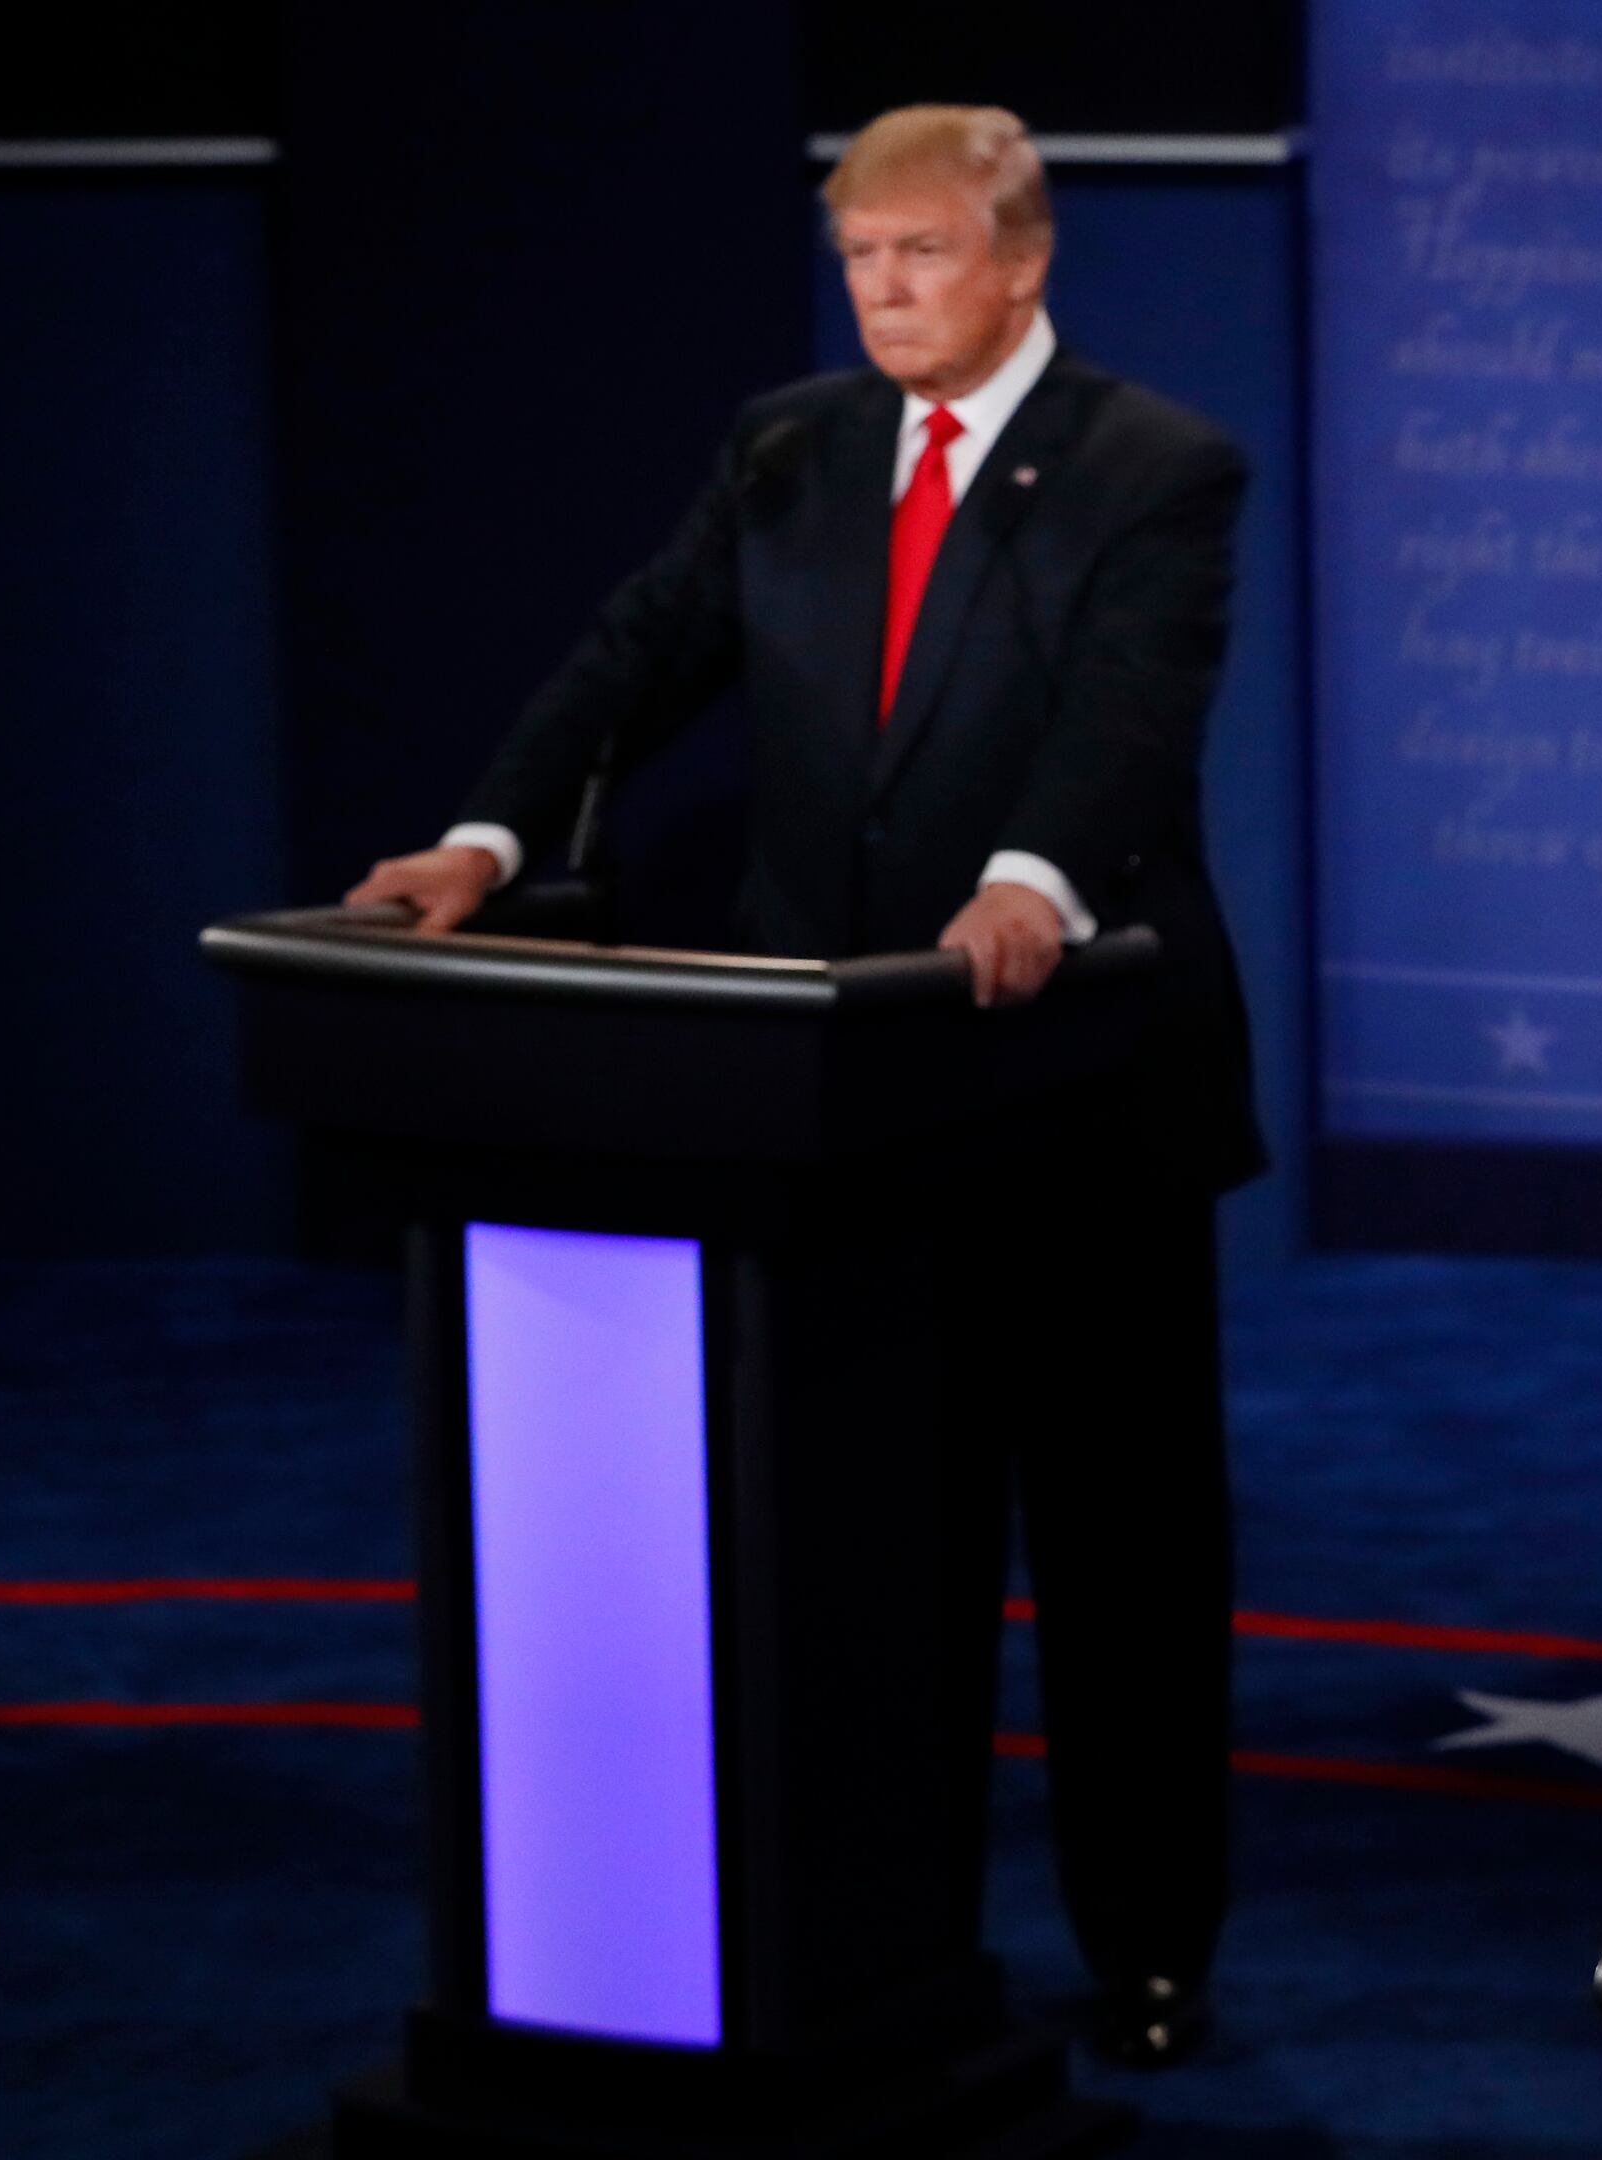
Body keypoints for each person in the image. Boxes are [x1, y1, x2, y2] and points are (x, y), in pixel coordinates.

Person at [343, 104, 1256, 2067]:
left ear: (1022, 263)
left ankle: (1153, 1943)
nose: (885, 290)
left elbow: (1126, 718)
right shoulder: (789, 447)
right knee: (877, 1548)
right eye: (859, 257)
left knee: (1117, 1547)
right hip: (836, 1107)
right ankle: (886, 1927)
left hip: (1081, 1082)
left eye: (922, 253)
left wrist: (1030, 882)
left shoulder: (1157, 468)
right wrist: (484, 843)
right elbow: (638, 659)